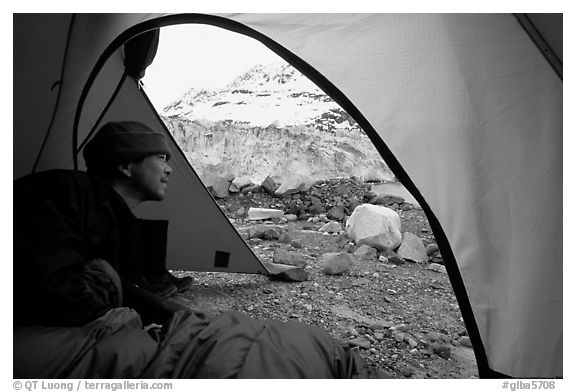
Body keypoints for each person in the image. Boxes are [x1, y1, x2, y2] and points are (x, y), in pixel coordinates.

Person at [13, 121, 378, 379]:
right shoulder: (62, 192)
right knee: (282, 354)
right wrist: (118, 299)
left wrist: (163, 309)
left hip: (102, 334)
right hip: (73, 337)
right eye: (161, 158)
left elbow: (118, 292)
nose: (171, 170)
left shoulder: (117, 219)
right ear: (126, 164)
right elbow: (53, 290)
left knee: (305, 351)